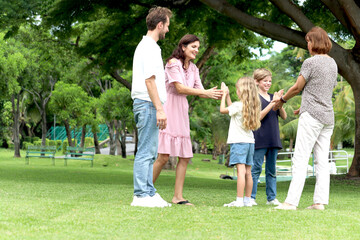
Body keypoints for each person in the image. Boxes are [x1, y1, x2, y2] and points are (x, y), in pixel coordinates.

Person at [152, 34, 222, 206]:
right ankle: (144, 191)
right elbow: (179, 87)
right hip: (168, 108)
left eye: (198, 47)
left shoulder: (194, 69)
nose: (197, 50)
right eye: (193, 47)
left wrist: (216, 94)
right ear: (183, 47)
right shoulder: (172, 63)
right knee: (163, 156)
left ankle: (178, 197)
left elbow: (200, 89)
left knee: (184, 156)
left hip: (182, 111)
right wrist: (205, 93)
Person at [273, 27, 337, 210]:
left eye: (308, 41)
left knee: (300, 158)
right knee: (322, 161)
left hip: (312, 117)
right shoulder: (333, 63)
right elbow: (324, 89)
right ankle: (319, 202)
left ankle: (290, 202)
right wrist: (305, 104)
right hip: (327, 117)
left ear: (314, 42)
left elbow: (297, 87)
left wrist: (282, 101)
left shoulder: (310, 62)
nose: (307, 45)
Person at [130, 7, 172, 208]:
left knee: (151, 151)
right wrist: (160, 109)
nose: (168, 31)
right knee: (146, 151)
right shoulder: (148, 47)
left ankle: (149, 192)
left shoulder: (151, 47)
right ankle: (140, 195)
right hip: (147, 104)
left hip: (150, 104)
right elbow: (149, 81)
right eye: (167, 26)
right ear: (160, 25)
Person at [220, 78, 261, 207]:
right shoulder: (251, 106)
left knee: (241, 172)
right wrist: (227, 97)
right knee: (248, 172)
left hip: (239, 143)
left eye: (237, 89)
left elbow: (223, 110)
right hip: (250, 143)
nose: (236, 91)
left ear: (242, 92)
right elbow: (232, 108)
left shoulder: (238, 105)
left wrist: (223, 94)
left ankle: (239, 200)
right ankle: (248, 200)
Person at [250, 68, 287, 206]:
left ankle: (271, 198)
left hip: (273, 138)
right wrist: (272, 103)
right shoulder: (254, 98)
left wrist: (279, 103)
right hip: (259, 138)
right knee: (256, 169)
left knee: (271, 171)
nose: (268, 83)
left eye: (270, 81)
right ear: (257, 82)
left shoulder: (274, 97)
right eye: (265, 81)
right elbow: (258, 117)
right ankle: (251, 197)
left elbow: (284, 116)